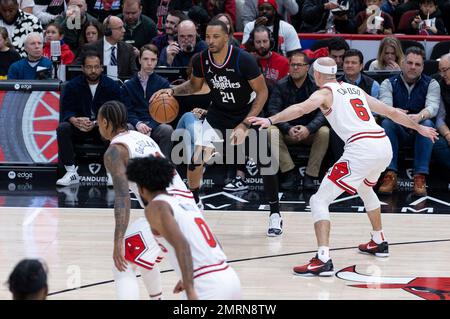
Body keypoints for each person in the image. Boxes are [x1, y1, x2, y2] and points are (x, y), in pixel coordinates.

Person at [248, 57, 438, 276]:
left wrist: (270, 120)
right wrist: (419, 128)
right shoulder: (354, 89)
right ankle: (379, 240)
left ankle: (323, 259)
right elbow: (390, 112)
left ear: (316, 75)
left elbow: (300, 109)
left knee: (319, 200)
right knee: (365, 189)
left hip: (361, 150)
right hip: (383, 145)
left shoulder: (324, 93)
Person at [152, 19, 283, 237]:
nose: (210, 41)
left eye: (215, 37)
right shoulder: (202, 60)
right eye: (208, 37)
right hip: (218, 115)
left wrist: (244, 124)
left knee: (266, 162)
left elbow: (262, 93)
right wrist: (171, 92)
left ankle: (275, 213)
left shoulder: (244, 60)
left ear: (226, 36)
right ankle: (195, 204)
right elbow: (194, 86)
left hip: (245, 114)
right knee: (195, 160)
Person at [97, 100, 197, 300]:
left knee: (123, 260)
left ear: (107, 123)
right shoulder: (140, 137)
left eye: (99, 122)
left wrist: (117, 241)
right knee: (143, 258)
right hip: (189, 208)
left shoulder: (115, 151)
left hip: (167, 211)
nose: (98, 126)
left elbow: (122, 197)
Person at [126, 155, 242, 300]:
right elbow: (215, 242)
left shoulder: (156, 207)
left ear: (141, 188)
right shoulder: (185, 204)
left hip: (205, 285)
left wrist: (190, 288)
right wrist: (186, 278)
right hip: (228, 277)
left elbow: (182, 246)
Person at [378, 47, 440, 196]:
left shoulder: (431, 83)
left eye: (417, 64)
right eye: (410, 62)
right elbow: (385, 107)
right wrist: (395, 113)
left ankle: (420, 177)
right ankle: (390, 175)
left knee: (427, 124)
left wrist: (419, 116)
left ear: (423, 67)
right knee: (386, 124)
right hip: (397, 128)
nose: (413, 67)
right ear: (403, 63)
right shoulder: (388, 82)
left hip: (420, 129)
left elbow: (433, 107)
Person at [267, 50, 329, 190]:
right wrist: (288, 128)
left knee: (325, 131)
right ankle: (289, 173)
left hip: (310, 132)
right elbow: (273, 111)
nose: (295, 68)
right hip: (288, 132)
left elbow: (324, 113)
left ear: (307, 67)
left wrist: (309, 129)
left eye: (299, 65)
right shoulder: (280, 85)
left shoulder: (316, 86)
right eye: (293, 64)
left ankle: (310, 176)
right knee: (270, 130)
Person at [56, 51, 121, 186]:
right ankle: (71, 171)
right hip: (79, 127)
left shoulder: (112, 86)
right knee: (63, 128)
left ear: (101, 68)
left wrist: (98, 122)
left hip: (102, 128)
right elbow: (66, 110)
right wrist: (74, 120)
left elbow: (116, 111)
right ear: (83, 68)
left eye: (96, 67)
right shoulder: (72, 85)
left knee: (112, 129)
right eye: (89, 67)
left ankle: (111, 172)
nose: (93, 71)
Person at [120, 44, 174, 158]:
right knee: (126, 128)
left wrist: (150, 126)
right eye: (145, 59)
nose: (149, 63)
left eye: (153, 60)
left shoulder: (163, 84)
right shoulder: (128, 85)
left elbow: (165, 113)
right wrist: (138, 124)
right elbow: (127, 111)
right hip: (135, 125)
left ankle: (164, 167)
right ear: (139, 60)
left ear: (156, 61)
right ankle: (129, 168)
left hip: (155, 124)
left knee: (167, 129)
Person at [76, 15, 138, 81]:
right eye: (120, 28)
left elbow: (134, 74)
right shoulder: (89, 48)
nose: (124, 30)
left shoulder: (128, 49)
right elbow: (77, 70)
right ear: (108, 31)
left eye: (123, 27)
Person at [432, 53, 450, 172]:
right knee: (436, 143)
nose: (442, 75)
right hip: (446, 129)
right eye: (440, 71)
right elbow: (439, 118)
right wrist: (448, 135)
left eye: (445, 70)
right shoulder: (438, 83)